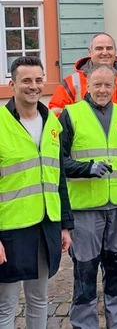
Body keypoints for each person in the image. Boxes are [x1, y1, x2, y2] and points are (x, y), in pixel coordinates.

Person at [59, 64, 117, 329]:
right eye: (97, 84)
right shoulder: (70, 115)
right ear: (87, 85)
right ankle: (85, 324)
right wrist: (87, 168)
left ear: (114, 87)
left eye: (107, 85)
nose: (102, 90)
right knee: (85, 271)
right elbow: (58, 161)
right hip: (85, 209)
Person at [0, 56, 73, 329]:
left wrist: (65, 225)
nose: (33, 86)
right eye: (26, 80)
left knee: (39, 298)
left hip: (45, 225)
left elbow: (59, 178)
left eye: (38, 80)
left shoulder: (52, 124)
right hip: (9, 229)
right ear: (12, 84)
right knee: (5, 305)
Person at [49, 32, 117, 124]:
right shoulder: (71, 83)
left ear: (115, 51)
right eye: (99, 48)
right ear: (90, 52)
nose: (105, 52)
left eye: (109, 48)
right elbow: (54, 119)